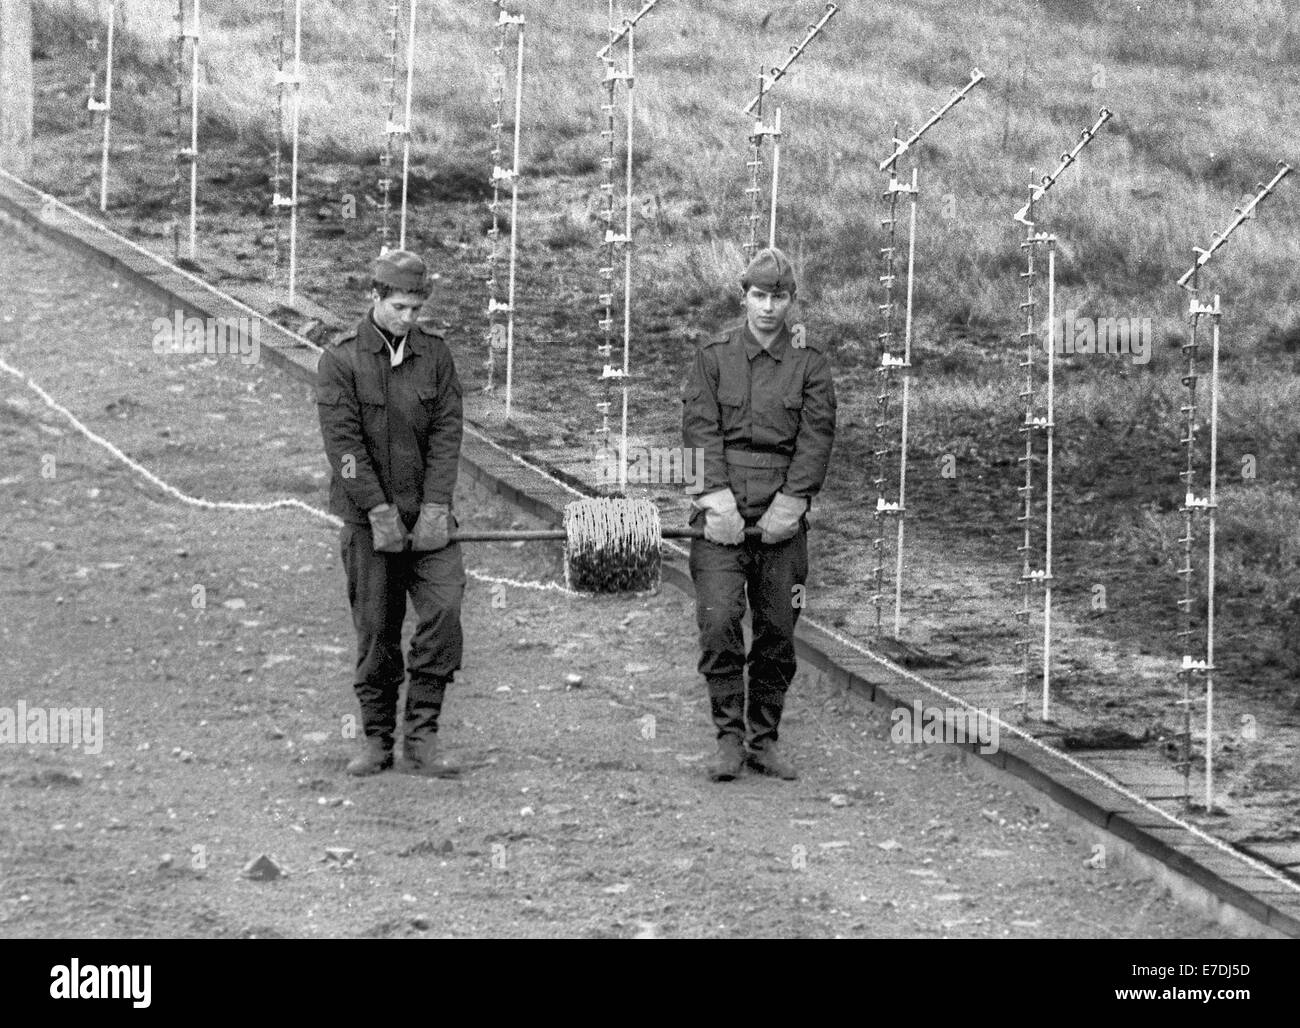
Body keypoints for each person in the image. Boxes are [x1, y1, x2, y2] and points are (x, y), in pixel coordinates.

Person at [681, 247, 837, 782]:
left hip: (781, 519)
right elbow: (699, 431)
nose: (769, 307)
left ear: (792, 300)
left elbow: (817, 438)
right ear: (744, 296)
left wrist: (790, 507)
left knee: (776, 631)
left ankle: (763, 739)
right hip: (721, 518)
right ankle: (728, 738)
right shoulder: (713, 355)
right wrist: (715, 501)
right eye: (759, 295)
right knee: (720, 623)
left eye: (779, 296)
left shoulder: (810, 360)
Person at [316, 249, 466, 778]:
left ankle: (422, 737)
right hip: (369, 522)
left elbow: (448, 435)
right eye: (400, 306)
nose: (409, 318)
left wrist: (435, 508)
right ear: (374, 297)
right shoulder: (340, 359)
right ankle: (377, 739)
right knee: (378, 630)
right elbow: (345, 445)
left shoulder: (436, 357)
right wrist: (377, 509)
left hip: (429, 522)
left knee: (445, 615)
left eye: (417, 309)